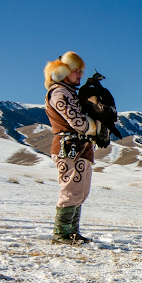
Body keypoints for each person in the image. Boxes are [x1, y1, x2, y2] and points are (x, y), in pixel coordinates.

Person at [43, 51, 101, 245]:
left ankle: (72, 232)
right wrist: (97, 126)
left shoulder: (69, 93)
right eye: (76, 71)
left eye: (80, 71)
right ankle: (61, 234)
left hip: (80, 147)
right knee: (71, 190)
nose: (80, 75)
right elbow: (77, 122)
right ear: (62, 71)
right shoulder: (59, 92)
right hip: (67, 147)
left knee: (81, 191)